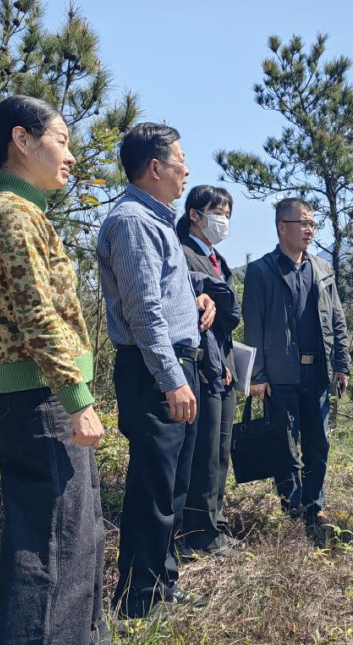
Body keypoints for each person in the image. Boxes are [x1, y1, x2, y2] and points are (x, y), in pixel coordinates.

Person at [0, 95, 106, 645]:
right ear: (22, 140)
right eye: (64, 140)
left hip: (43, 393)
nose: (71, 156)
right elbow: (36, 315)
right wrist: (76, 397)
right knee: (51, 544)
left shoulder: (25, 212)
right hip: (41, 396)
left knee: (76, 535)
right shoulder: (12, 215)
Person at [97, 123, 216, 618]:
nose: (186, 170)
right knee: (153, 486)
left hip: (173, 364)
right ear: (155, 167)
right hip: (155, 371)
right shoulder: (133, 222)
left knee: (173, 485)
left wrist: (197, 299)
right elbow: (144, 313)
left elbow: (163, 295)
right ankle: (138, 599)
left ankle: (162, 579)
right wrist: (173, 380)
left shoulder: (157, 222)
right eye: (180, 160)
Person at [242, 198, 350, 538]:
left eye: (312, 224)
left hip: (317, 373)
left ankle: (315, 506)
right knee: (285, 445)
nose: (309, 230)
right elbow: (253, 324)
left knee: (318, 444)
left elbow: (337, 319)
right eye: (302, 223)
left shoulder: (322, 269)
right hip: (280, 375)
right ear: (281, 226)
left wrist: (341, 364)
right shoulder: (261, 270)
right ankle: (293, 508)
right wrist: (257, 375)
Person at [175, 185, 240, 555]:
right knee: (204, 451)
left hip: (222, 366)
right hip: (202, 366)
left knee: (222, 449)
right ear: (195, 215)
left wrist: (229, 364)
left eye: (228, 214)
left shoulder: (217, 259)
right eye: (218, 212)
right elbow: (193, 318)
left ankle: (215, 521)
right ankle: (198, 532)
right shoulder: (183, 255)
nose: (224, 221)